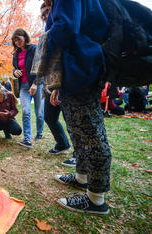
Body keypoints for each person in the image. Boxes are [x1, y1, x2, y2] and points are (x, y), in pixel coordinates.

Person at [43, 0, 111, 214]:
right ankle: (81, 177)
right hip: (72, 73)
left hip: (82, 69)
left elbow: (66, 27)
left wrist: (44, 49)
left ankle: (96, 199)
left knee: (90, 133)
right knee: (77, 131)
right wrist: (57, 84)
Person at [39, 3, 72, 157]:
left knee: (71, 119)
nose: (44, 17)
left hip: (67, 82)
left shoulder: (64, 25)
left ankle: (78, 156)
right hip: (51, 83)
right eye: (42, 16)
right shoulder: (48, 33)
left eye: (46, 12)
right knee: (49, 116)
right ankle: (62, 143)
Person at [12, 28, 45, 148]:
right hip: (24, 85)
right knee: (25, 111)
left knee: (39, 113)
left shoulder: (34, 49)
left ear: (25, 37)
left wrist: (36, 84)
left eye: (19, 39)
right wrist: (15, 72)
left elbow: (41, 67)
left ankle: (39, 132)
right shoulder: (16, 54)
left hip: (37, 84)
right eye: (15, 41)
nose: (17, 42)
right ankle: (27, 139)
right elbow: (15, 68)